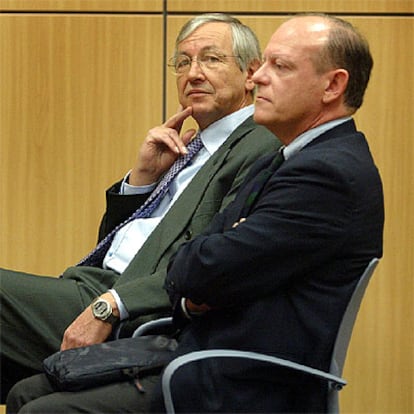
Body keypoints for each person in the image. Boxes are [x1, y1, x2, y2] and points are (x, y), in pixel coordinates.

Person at [0, 12, 280, 405]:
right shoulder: (185, 148)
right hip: (93, 284)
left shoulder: (258, 143)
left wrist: (111, 304)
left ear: (251, 73)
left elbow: (216, 257)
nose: (193, 73)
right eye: (183, 62)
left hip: (134, 309)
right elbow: (117, 245)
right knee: (21, 388)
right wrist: (141, 181)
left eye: (211, 59)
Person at [146, 13, 384, 412]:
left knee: (42, 405)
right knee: (35, 391)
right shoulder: (283, 158)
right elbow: (189, 266)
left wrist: (204, 275)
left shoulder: (326, 175)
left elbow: (200, 268)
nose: (257, 79)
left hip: (241, 384)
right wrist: (197, 286)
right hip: (204, 360)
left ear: (333, 85)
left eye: (281, 66)